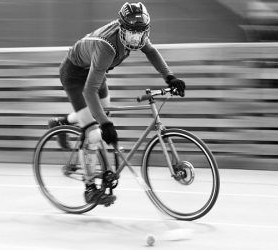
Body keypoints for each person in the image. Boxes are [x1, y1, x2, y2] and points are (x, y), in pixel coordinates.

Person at [48, 2, 186, 205]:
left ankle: (63, 123)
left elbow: (151, 51)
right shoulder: (107, 47)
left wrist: (170, 77)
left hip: (96, 69)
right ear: (122, 28)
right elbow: (89, 91)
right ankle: (90, 188)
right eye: (131, 33)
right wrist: (103, 124)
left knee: (101, 115)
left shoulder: (137, 35)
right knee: (94, 133)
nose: (136, 39)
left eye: (140, 33)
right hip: (75, 75)